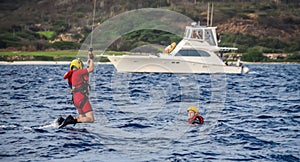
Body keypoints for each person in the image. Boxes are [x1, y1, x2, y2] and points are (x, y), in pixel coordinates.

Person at [57, 49, 95, 128]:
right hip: (82, 98)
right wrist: (91, 58)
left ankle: (62, 121)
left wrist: (89, 58)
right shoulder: (78, 72)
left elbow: (87, 69)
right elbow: (91, 69)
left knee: (82, 117)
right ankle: (71, 119)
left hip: (75, 99)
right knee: (91, 119)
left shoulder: (72, 75)